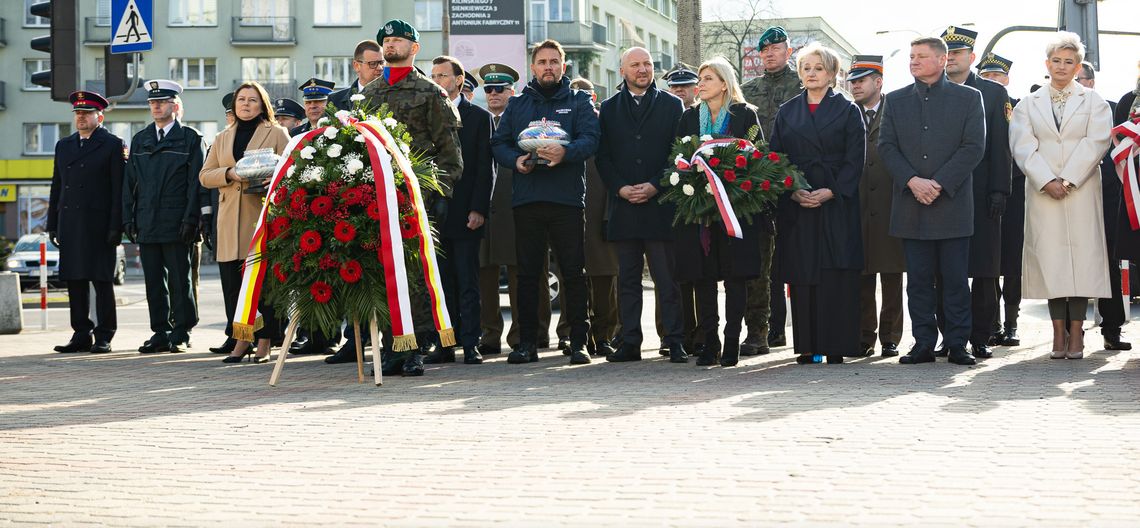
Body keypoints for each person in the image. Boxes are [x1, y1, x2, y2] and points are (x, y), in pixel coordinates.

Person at [362, 19, 463, 376]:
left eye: (398, 40)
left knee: (416, 274)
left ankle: (417, 346)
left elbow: (450, 153)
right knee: (383, 271)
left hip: (417, 198)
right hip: (376, 198)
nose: (390, 45)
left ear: (414, 48)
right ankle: (391, 345)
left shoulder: (430, 92)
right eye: (386, 40)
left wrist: (440, 193)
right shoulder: (369, 95)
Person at [490, 39, 600, 366]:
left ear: (563, 66)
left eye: (554, 61)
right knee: (527, 275)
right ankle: (527, 343)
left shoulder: (578, 101)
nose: (548, 67)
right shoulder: (519, 103)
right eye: (542, 62)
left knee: (573, 273)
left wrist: (567, 153)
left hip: (566, 199)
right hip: (527, 199)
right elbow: (499, 142)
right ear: (533, 67)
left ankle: (578, 341)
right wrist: (516, 160)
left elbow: (591, 139)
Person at [878, 36, 986, 366]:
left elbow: (973, 147)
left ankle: (957, 344)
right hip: (911, 204)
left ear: (942, 61)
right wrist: (912, 181)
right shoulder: (895, 101)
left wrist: (937, 183)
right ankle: (923, 342)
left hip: (951, 204)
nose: (913, 61)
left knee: (955, 280)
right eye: (911, 56)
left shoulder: (969, 98)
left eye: (921, 56)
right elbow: (887, 147)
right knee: (919, 281)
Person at [1009, 32, 1113, 359]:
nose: (1062, 67)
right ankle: (1057, 334)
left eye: (1069, 62)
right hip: (1043, 192)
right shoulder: (1028, 103)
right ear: (1047, 64)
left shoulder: (1094, 101)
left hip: (1080, 189)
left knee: (1081, 262)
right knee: (1051, 261)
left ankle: (1077, 332)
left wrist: (1067, 179)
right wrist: (1046, 180)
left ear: (1078, 66)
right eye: (1057, 61)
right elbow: (1022, 145)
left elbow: (1097, 142)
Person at [770, 45, 866, 364]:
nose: (811, 73)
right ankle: (809, 345)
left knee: (835, 271)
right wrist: (794, 189)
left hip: (836, 201)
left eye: (818, 68)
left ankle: (836, 344)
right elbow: (776, 157)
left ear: (832, 73)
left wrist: (831, 191)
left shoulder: (849, 110)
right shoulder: (787, 111)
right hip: (798, 204)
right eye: (806, 68)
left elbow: (856, 160)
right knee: (803, 270)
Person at [596, 48, 687, 363]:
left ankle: (675, 340)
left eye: (647, 64)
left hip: (660, 204)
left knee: (667, 279)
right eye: (635, 65)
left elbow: (678, 154)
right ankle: (630, 341)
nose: (643, 69)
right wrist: (620, 188)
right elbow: (602, 156)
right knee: (628, 281)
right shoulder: (607, 109)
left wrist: (654, 184)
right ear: (622, 70)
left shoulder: (672, 105)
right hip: (624, 207)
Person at [673, 57, 763, 367]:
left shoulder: (744, 115)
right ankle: (709, 342)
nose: (701, 83)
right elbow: (678, 159)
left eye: (708, 78)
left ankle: (731, 341)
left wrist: (733, 184)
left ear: (724, 83)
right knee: (704, 278)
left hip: (734, 211)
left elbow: (758, 159)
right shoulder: (688, 118)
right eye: (700, 78)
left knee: (735, 277)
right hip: (700, 213)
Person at [199, 82, 291, 363]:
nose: (246, 104)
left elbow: (293, 168)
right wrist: (229, 173)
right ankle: (241, 339)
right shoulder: (222, 136)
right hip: (228, 220)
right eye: (241, 100)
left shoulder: (276, 133)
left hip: (261, 217)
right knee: (233, 284)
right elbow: (205, 175)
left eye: (252, 100)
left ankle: (265, 342)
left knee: (263, 284)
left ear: (262, 105)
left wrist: (273, 179)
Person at [938, 26, 1012, 361]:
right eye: (947, 52)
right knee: (945, 271)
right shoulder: (929, 91)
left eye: (957, 53)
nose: (951, 58)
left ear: (972, 57)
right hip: (941, 195)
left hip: (982, 194)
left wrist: (1000, 189)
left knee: (983, 270)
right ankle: (949, 336)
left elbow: (1001, 146)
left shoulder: (993, 94)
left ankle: (980, 336)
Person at [475, 63, 555, 357]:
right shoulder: (480, 120)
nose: (494, 94)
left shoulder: (527, 117)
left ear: (513, 91)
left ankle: (531, 333)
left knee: (527, 273)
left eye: (500, 89)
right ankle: (490, 334)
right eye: (489, 89)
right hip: (487, 208)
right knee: (485, 275)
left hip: (518, 203)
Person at [123, 80, 207, 354]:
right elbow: (130, 184)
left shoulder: (191, 138)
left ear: (176, 105)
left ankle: (182, 331)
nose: (156, 106)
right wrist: (129, 219)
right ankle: (160, 331)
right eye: (152, 103)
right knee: (153, 281)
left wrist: (191, 220)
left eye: (162, 102)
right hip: (147, 220)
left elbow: (197, 184)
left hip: (177, 221)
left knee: (180, 281)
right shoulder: (141, 139)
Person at [424, 55, 494, 365]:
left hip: (466, 212)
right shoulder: (426, 116)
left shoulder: (478, 117)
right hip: (434, 213)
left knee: (468, 282)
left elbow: (484, 168)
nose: (438, 80)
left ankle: (470, 343)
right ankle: (445, 344)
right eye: (434, 75)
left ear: (459, 81)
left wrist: (479, 208)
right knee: (442, 283)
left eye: (443, 75)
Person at [741, 26, 803, 355]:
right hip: (758, 186)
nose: (769, 53)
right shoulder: (748, 90)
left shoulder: (803, 85)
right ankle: (764, 330)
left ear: (787, 51)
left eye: (775, 48)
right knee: (762, 260)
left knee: (796, 259)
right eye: (763, 50)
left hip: (795, 183)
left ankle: (809, 330)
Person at [47, 91, 124, 354]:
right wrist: (52, 223)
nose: (80, 118)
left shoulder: (112, 144)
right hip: (70, 222)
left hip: (99, 225)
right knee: (75, 280)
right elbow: (57, 187)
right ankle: (81, 333)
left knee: (101, 281)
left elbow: (118, 189)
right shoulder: (64, 145)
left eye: (86, 113)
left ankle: (104, 335)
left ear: (99, 116)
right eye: (78, 113)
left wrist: (117, 226)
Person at [554, 78, 620, 359]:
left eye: (587, 97)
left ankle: (603, 337)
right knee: (572, 280)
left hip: (599, 215)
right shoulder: (560, 132)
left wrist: (610, 216)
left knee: (604, 280)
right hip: (569, 214)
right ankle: (571, 334)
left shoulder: (605, 130)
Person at [849, 55, 904, 358]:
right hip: (857, 204)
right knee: (861, 275)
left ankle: (891, 337)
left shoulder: (895, 110)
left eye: (861, 80)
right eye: (853, 81)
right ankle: (863, 336)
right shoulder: (847, 113)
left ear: (878, 82)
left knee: (893, 275)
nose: (855, 86)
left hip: (890, 203)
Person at [978, 53, 1027, 348]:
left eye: (997, 77)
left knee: (1011, 259)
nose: (993, 81)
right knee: (988, 261)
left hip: (1016, 188)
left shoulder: (1020, 108)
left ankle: (1011, 322)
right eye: (987, 76)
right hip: (987, 189)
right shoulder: (973, 103)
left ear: (1007, 80)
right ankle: (991, 322)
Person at [1085, 62, 1133, 352]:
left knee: (1111, 264)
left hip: (1112, 196)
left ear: (1091, 81)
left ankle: (1111, 329)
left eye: (1082, 78)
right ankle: (1068, 329)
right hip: (1075, 193)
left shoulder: (1116, 106)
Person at [329, 40, 383, 111]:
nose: (380, 68)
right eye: (373, 63)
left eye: (382, 62)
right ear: (357, 66)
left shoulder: (394, 95)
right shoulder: (335, 100)